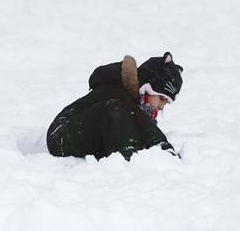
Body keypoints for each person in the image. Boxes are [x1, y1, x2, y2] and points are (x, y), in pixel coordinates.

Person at [46, 52, 184, 161]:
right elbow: (142, 123)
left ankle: (131, 157)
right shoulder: (116, 91)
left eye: (166, 103)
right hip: (60, 135)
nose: (161, 107)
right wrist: (164, 149)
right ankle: (130, 160)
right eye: (161, 98)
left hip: (82, 134)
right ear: (148, 86)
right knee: (118, 109)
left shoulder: (132, 105)